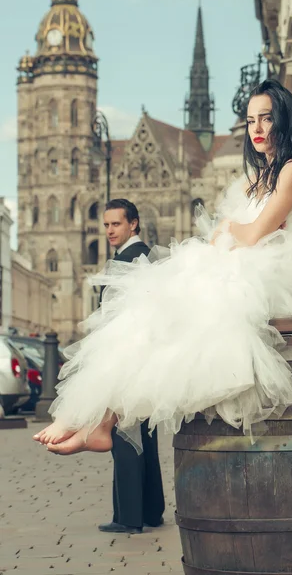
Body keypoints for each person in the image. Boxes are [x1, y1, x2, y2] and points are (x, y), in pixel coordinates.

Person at [33, 80, 292, 455]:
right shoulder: (262, 178)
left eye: (266, 119)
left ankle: (104, 419)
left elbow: (252, 235)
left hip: (283, 276)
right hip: (258, 271)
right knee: (152, 316)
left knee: (174, 313)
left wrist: (229, 230)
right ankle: (103, 418)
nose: (256, 128)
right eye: (251, 119)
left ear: (283, 122)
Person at [77, 199, 165, 533]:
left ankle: (128, 517)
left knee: (125, 434)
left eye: (116, 224)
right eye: (106, 225)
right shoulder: (146, 255)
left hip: (126, 355)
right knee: (146, 432)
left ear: (133, 224)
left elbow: (116, 316)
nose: (110, 231)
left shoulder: (127, 260)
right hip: (144, 356)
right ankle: (151, 511)